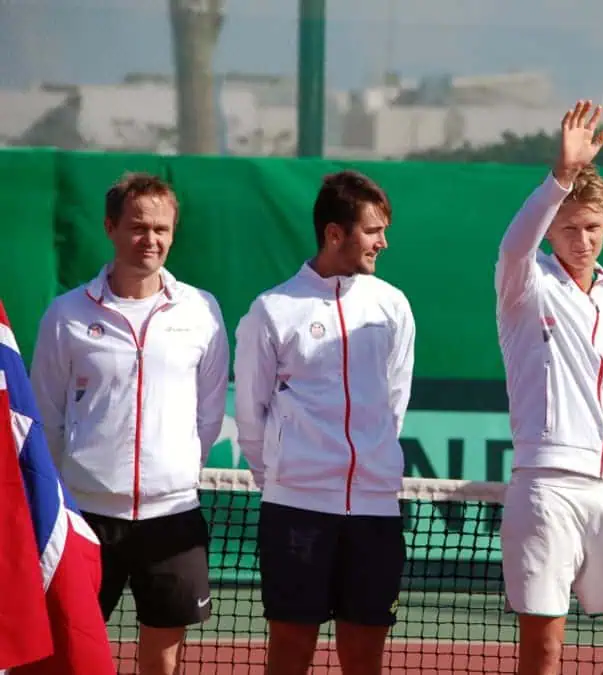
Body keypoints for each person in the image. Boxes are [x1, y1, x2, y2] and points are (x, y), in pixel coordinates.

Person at [29, 172, 229, 675]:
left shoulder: (202, 311)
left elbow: (208, 414)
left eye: (162, 228)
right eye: (139, 226)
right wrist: (73, 489)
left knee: (162, 654)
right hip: (86, 519)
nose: (151, 239)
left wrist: (175, 472)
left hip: (174, 517)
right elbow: (46, 414)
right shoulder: (66, 314)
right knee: (72, 653)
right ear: (111, 227)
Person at [233, 170, 415, 675]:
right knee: (290, 654)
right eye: (373, 230)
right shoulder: (272, 310)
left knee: (365, 658)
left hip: (376, 511)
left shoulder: (392, 304)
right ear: (335, 233)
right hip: (297, 511)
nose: (384, 241)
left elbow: (393, 398)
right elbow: (251, 415)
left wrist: (373, 468)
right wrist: (289, 480)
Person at [494, 100, 603, 675]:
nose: (582, 240)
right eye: (569, 227)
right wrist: (559, 177)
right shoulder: (524, 286)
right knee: (543, 652)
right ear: (551, 227)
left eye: (593, 228)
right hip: (547, 485)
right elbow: (515, 244)